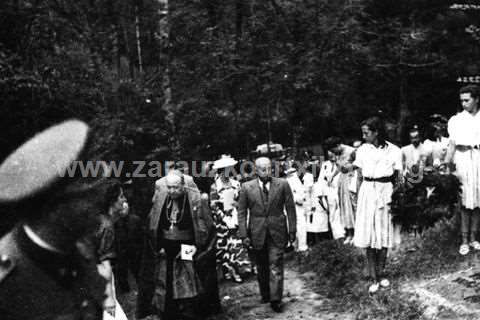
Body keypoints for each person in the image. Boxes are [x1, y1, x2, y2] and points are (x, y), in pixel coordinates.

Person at [0, 120, 107, 320]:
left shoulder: (81, 250)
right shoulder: (6, 283)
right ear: (53, 209)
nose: (99, 206)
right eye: (88, 198)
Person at [137, 170, 217, 320]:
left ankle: (189, 314)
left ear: (183, 186)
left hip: (187, 246)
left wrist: (195, 246)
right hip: (166, 247)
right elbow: (155, 225)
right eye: (169, 187)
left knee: (188, 285)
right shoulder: (162, 199)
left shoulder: (195, 199)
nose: (172, 191)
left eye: (176, 187)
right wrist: (158, 245)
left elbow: (204, 227)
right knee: (166, 284)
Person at [238, 157, 296, 313]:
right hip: (256, 231)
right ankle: (266, 293)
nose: (266, 171)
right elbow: (242, 212)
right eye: (262, 168)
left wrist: (292, 230)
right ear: (256, 170)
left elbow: (290, 208)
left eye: (269, 168)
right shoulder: (246, 187)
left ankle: (276, 299)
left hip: (277, 230)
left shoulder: (282, 184)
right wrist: (243, 234)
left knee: (275, 264)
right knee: (262, 266)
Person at [353, 116, 402, 294]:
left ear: (376, 132)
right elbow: (358, 176)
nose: (364, 136)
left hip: (386, 192)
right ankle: (373, 276)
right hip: (367, 192)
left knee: (383, 234)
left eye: (366, 133)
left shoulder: (394, 150)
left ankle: (381, 273)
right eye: (363, 133)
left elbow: (398, 177)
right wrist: (358, 198)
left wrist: (397, 197)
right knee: (370, 235)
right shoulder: (362, 151)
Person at [446, 84, 480, 256]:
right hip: (463, 159)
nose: (464, 104)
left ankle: (474, 237)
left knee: (477, 201)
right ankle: (464, 239)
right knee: (466, 201)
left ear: (476, 99)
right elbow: (451, 145)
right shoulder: (456, 120)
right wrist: (447, 165)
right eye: (462, 101)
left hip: (478, 159)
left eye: (467, 100)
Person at [210, 155, 251, 282]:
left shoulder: (236, 184)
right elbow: (213, 205)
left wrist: (238, 207)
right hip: (222, 220)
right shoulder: (215, 187)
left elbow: (241, 201)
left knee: (237, 243)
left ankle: (241, 267)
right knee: (225, 245)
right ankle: (231, 271)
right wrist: (223, 217)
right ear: (221, 170)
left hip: (235, 216)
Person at [324, 137, 357, 244]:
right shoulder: (337, 154)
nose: (334, 153)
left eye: (334, 150)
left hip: (352, 180)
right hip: (342, 181)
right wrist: (332, 176)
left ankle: (356, 233)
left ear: (338, 145)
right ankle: (349, 233)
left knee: (351, 207)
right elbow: (339, 167)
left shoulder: (352, 151)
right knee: (344, 208)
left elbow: (359, 165)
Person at [286, 157, 313, 252]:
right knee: (298, 225)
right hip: (295, 205)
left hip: (305, 204)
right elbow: (288, 193)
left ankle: (300, 245)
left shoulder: (307, 177)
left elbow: (308, 192)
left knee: (303, 225)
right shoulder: (290, 179)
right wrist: (297, 199)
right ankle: (299, 246)